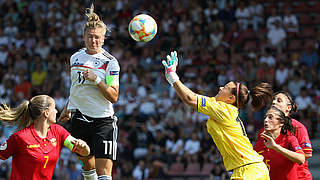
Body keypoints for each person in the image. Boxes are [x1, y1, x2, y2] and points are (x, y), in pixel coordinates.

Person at [161, 51, 273, 179]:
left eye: (224, 87)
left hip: (248, 170)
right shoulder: (224, 108)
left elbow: (190, 98)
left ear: (230, 98)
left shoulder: (223, 109)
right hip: (252, 168)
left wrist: (173, 76)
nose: (220, 88)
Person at [58, 4, 120, 180]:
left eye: (98, 38)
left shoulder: (110, 63)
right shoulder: (75, 58)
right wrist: (68, 107)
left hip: (103, 122)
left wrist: (96, 80)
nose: (94, 41)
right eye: (90, 37)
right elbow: (76, 87)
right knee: (87, 166)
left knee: (104, 174)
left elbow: (113, 95)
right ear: (83, 37)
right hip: (80, 118)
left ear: (104, 38)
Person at [0, 95, 90, 180]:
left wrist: (84, 146)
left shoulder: (58, 131)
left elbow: (84, 152)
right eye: (54, 108)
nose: (57, 111)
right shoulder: (20, 138)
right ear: (46, 113)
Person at [266, 91, 313, 179]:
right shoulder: (265, 130)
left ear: (288, 107)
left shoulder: (298, 127)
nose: (274, 102)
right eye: (273, 100)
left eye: (279, 101)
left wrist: (279, 151)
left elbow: (307, 154)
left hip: (299, 177)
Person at [254, 107, 305, 179]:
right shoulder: (260, 143)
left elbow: (301, 159)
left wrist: (275, 147)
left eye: (270, 117)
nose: (266, 120)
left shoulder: (290, 139)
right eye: (265, 117)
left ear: (281, 122)